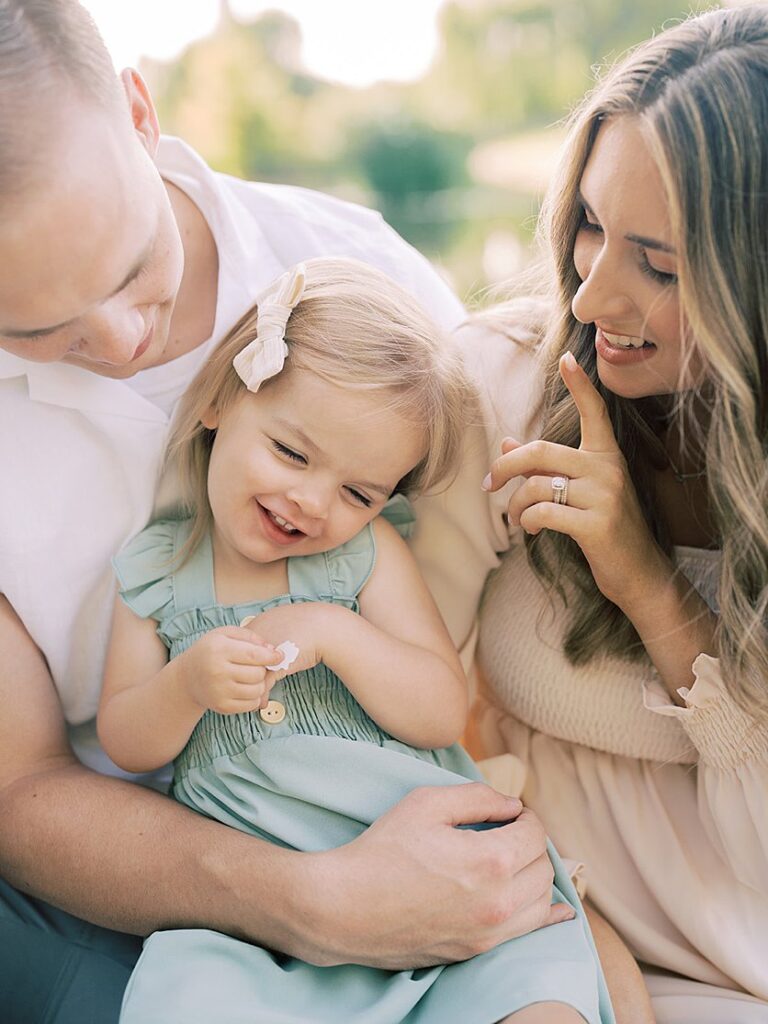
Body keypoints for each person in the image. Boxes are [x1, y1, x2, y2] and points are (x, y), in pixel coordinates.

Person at [0, 3, 566, 1021]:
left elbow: (469, 649)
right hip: (139, 888)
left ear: (140, 113)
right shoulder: (156, 565)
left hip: (397, 804)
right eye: (38, 330)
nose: (126, 338)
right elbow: (23, 787)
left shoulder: (364, 276)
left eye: (134, 269)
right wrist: (314, 902)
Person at [97, 256, 620, 1024]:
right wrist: (184, 687)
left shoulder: (365, 555)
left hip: (435, 865)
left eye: (357, 492)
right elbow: (124, 740)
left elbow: (441, 710)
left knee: (536, 988)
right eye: (292, 453)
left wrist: (333, 631)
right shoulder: (157, 570)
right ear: (217, 402)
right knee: (189, 996)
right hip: (258, 916)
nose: (311, 501)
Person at [414, 6, 768, 1023]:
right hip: (533, 951)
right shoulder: (499, 387)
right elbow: (396, 731)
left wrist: (648, 586)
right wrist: (570, 942)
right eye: (591, 223)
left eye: (659, 264)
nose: (594, 291)